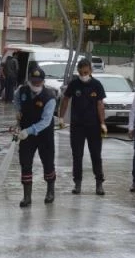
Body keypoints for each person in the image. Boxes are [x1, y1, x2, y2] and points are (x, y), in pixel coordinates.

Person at [58, 58, 108, 196]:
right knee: (77, 156)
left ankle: (99, 183)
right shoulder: (74, 84)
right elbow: (66, 100)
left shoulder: (97, 85)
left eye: (86, 72)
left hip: (94, 126)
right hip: (77, 126)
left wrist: (103, 123)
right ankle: (77, 183)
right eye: (81, 73)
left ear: (91, 71)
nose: (83, 75)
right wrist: (61, 117)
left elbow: (100, 104)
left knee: (96, 155)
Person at [14, 67, 57, 207]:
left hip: (44, 135)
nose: (35, 85)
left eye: (38, 83)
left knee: (48, 162)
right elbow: (17, 102)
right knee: (25, 163)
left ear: (43, 82)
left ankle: (50, 190)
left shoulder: (49, 97)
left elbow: (45, 121)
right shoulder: (21, 91)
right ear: (29, 80)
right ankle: (27, 197)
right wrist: (18, 112)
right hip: (26, 135)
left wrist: (29, 130)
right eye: (33, 82)